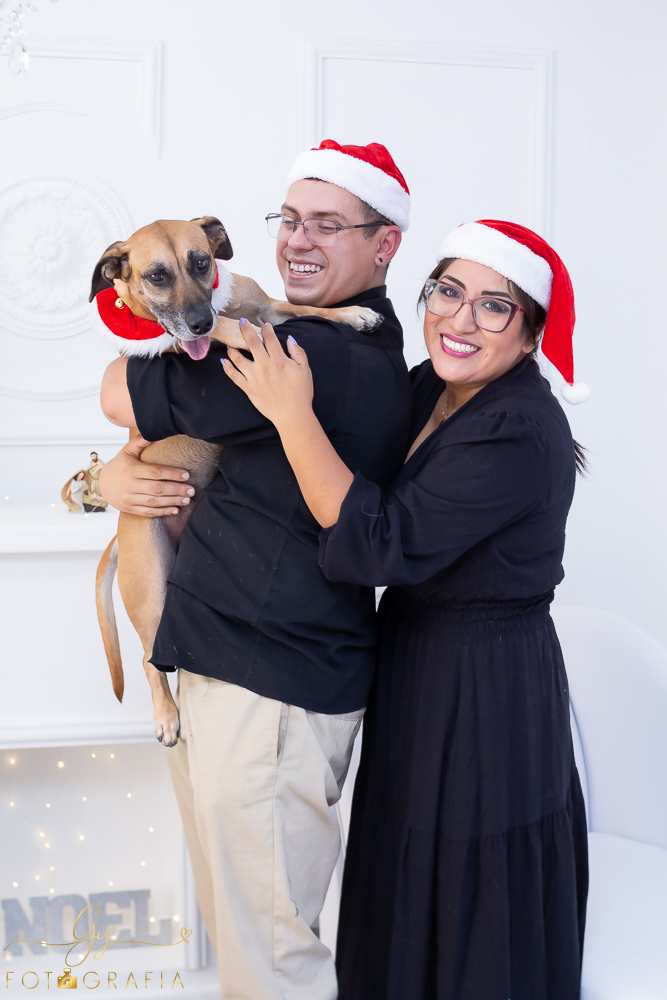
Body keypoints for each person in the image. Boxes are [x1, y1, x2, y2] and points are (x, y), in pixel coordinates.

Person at [221, 219, 590, 1000]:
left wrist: (293, 414)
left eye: (494, 307)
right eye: (448, 292)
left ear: (529, 336)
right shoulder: (431, 385)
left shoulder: (518, 429)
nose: (459, 319)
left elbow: (377, 542)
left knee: (467, 867)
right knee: (401, 857)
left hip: (487, 681)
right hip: (418, 657)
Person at [98, 141, 413, 1000]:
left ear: (385, 245)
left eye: (331, 224)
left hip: (267, 694)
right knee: (249, 955)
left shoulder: (318, 355)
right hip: (214, 669)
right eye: (290, 220)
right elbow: (155, 445)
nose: (300, 240)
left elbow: (116, 393)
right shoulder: (281, 336)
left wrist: (108, 469)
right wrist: (102, 482)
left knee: (270, 966)